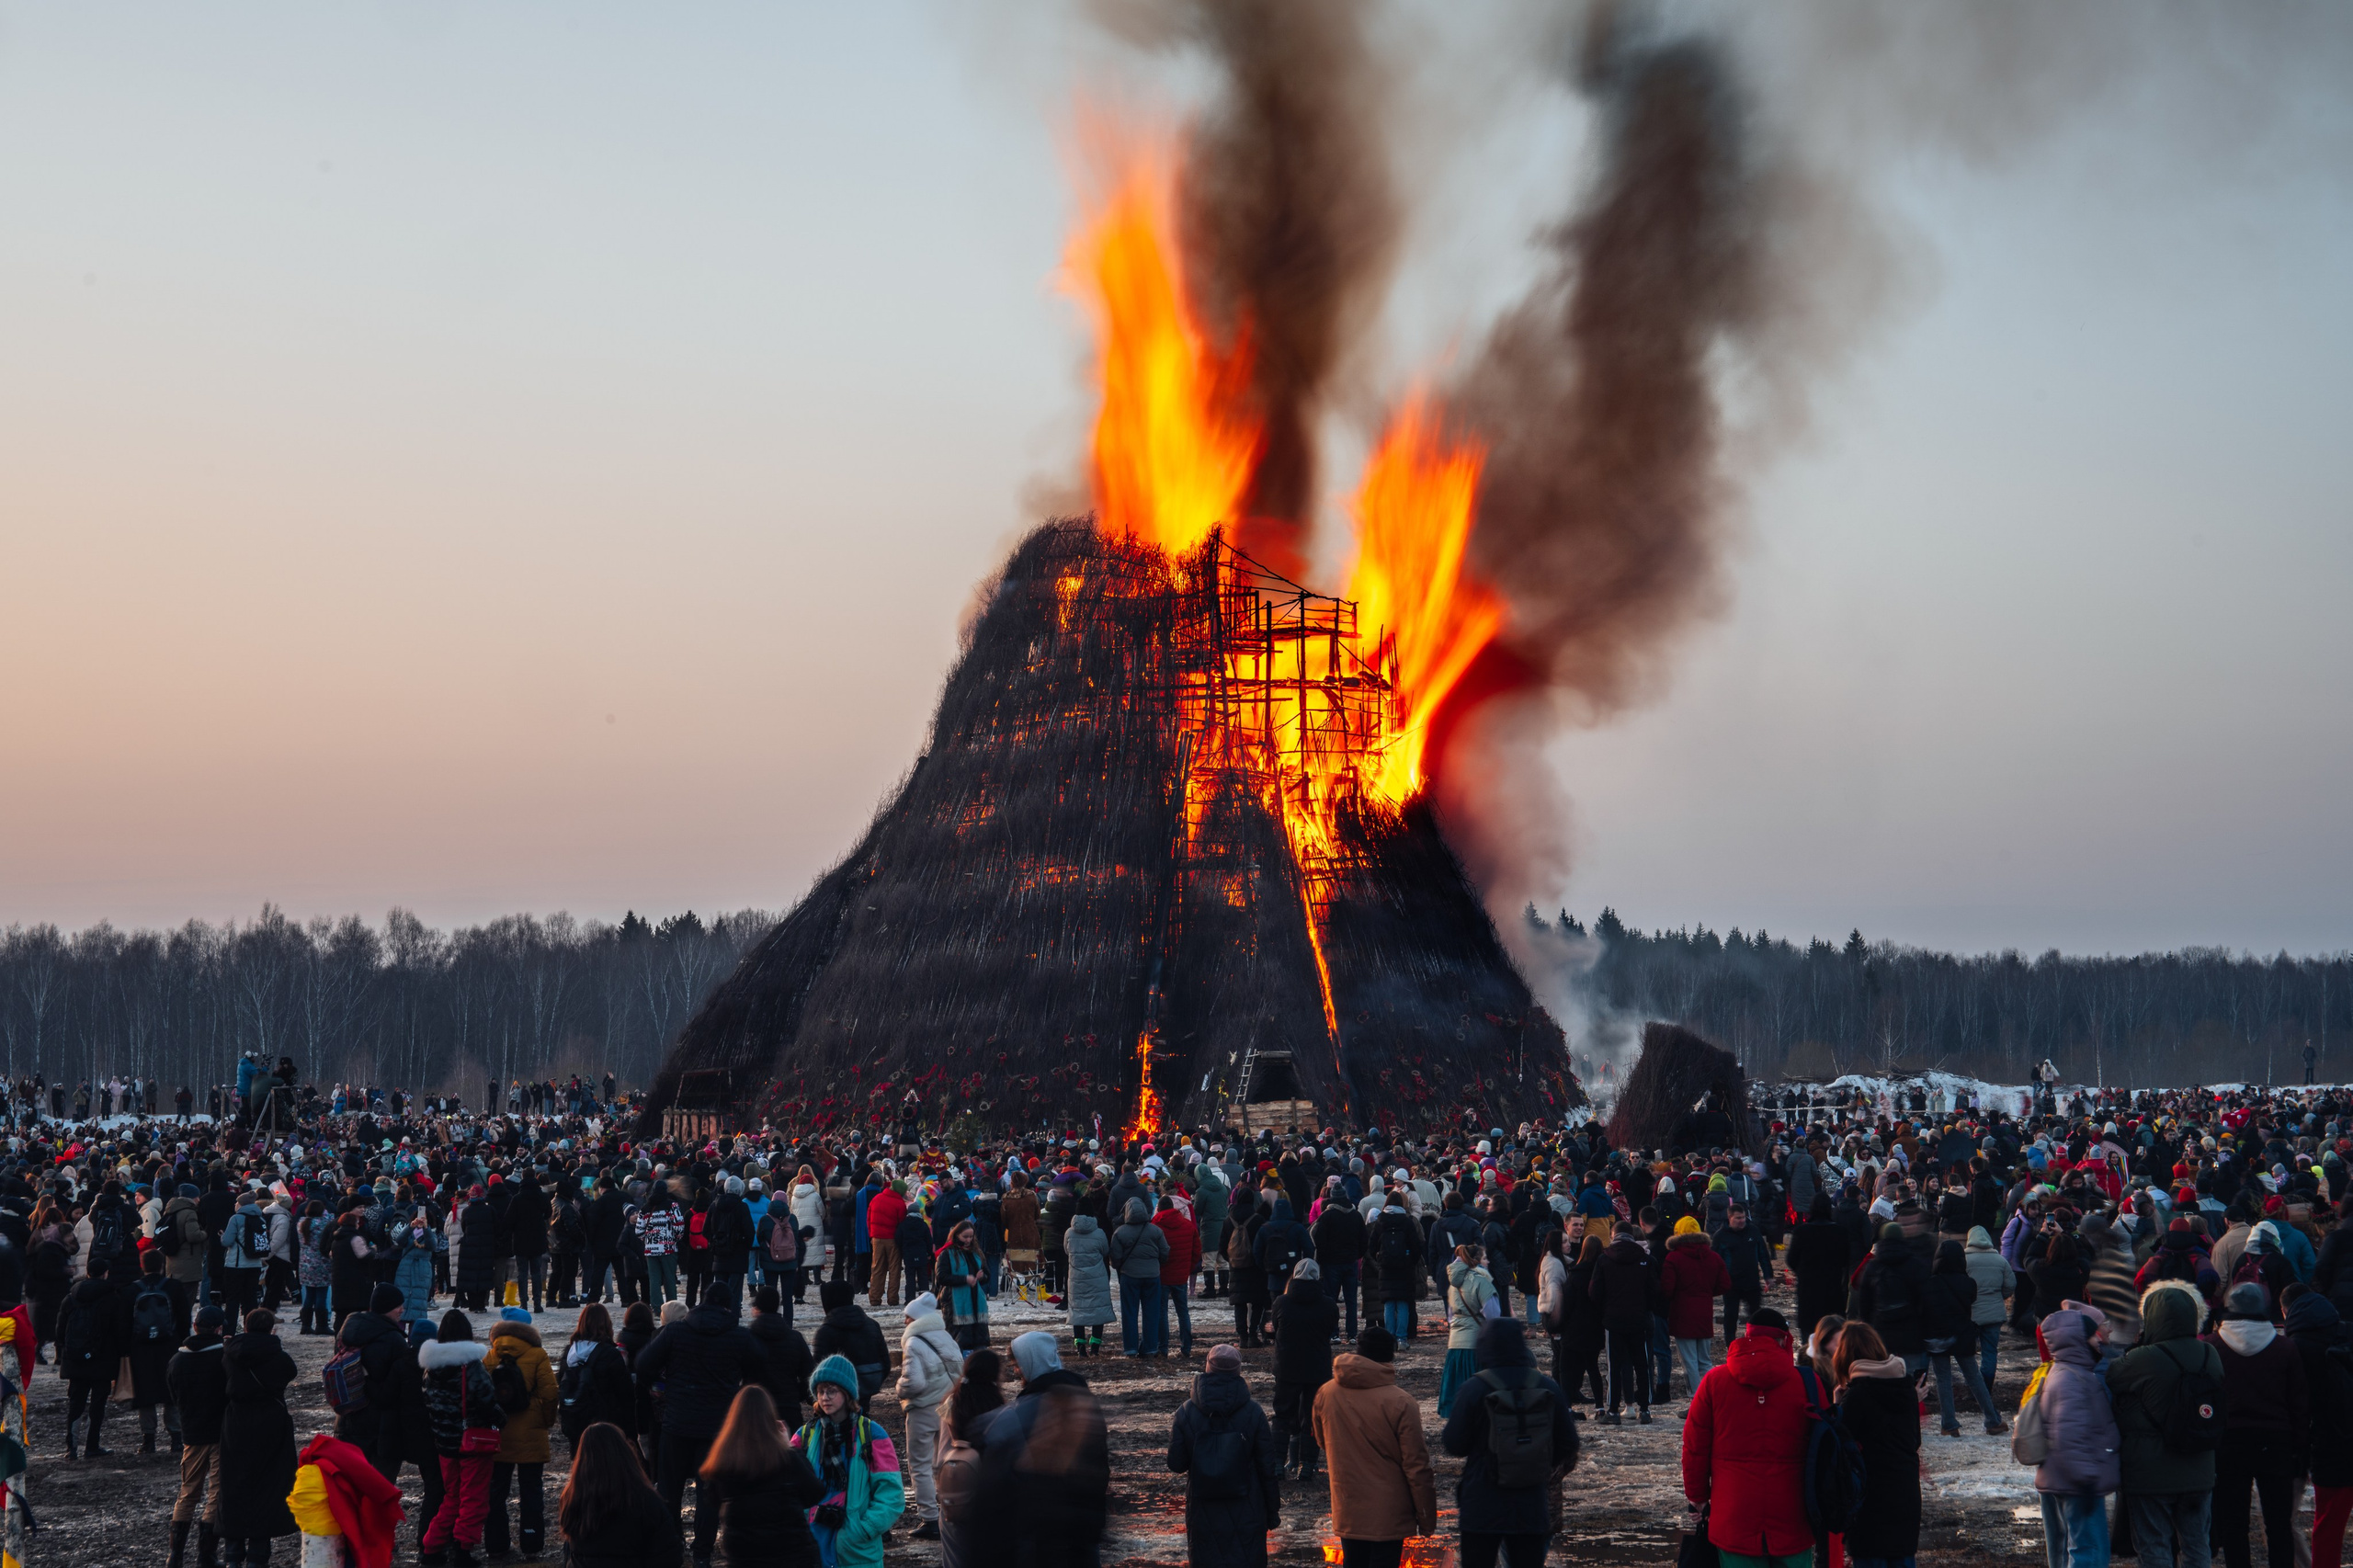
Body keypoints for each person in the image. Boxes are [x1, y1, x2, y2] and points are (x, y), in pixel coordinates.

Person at [634, 1283, 768, 1564]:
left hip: (677, 1422)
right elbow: (762, 1366)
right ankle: (702, 1555)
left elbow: (643, 1363)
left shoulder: (675, 1331)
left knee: (669, 1490)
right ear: (729, 1307)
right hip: (717, 1428)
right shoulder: (738, 1336)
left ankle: (672, 1546)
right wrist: (739, 1388)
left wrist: (664, 1387)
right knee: (709, 1494)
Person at [961, 1332, 1108, 1568]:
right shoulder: (1082, 1399)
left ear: (1033, 1361)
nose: (1015, 1371)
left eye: (1018, 1364)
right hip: (1084, 1529)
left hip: (1043, 1536)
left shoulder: (1022, 1414)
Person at [1682, 1306, 1813, 1568]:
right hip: (1794, 1516)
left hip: (1734, 1517)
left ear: (1747, 1336)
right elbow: (1825, 1447)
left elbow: (1694, 1447)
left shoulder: (1714, 1382)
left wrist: (1698, 1497)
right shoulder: (1808, 1383)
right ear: (1783, 1340)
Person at [1440, 1316, 1577, 1568]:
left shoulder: (1474, 1388)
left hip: (1481, 1504)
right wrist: (1535, 1461)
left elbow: (1454, 1444)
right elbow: (1568, 1443)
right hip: (1531, 1504)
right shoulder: (1547, 1387)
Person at [2109, 1279, 2223, 1568]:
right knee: (2197, 1545)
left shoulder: (2143, 1358)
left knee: (2155, 1547)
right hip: (2199, 1468)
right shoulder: (2210, 1354)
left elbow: (2112, 1376)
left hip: (2150, 1473)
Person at [1312, 1325, 1438, 1568]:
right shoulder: (1401, 1402)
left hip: (1347, 1504)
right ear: (1389, 1357)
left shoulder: (1326, 1393)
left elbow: (1323, 1442)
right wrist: (1426, 1518)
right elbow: (1417, 1466)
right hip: (1389, 1512)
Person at [2203, 1281, 2308, 1568]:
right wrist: (2301, 1448)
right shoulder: (2285, 1347)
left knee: (2234, 1523)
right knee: (2278, 1523)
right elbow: (2298, 1403)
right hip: (2276, 1441)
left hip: (2228, 1442)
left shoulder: (2212, 1346)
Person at [1166, 1341, 1281, 1568]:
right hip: (1248, 1509)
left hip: (1202, 1512)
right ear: (1238, 1371)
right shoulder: (1253, 1412)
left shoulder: (1186, 1412)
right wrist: (1272, 1511)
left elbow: (1176, 1463)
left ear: (1207, 1367)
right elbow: (1267, 1467)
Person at [791, 1356, 906, 1568]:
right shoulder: (804, 1436)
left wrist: (863, 1529)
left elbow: (892, 1494)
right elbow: (788, 1489)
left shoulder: (872, 1434)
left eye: (831, 1390)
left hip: (856, 1550)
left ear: (847, 1393)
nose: (825, 1397)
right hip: (813, 1545)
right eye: (820, 1391)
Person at [697, 1384, 825, 1568]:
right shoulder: (784, 1459)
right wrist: (790, 1449)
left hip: (744, 1558)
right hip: (792, 1557)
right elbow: (815, 1493)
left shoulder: (723, 1462)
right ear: (769, 1417)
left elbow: (711, 1498)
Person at [2033, 1308, 2121, 1568]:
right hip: (2078, 1485)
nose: (2100, 1340)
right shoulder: (2072, 1378)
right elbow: (2067, 1435)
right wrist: (2086, 1479)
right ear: (2078, 1340)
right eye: (2093, 1335)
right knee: (2089, 1552)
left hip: (2075, 1482)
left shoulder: (2071, 1372)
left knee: (2088, 1549)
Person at [1828, 1322, 1920, 1568]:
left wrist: (1837, 1407)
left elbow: (1838, 1448)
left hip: (1870, 1500)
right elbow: (1915, 1440)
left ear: (1845, 1357)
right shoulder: (1906, 1388)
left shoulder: (1857, 1396)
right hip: (1905, 1492)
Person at [421, 1309, 506, 1565]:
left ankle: (431, 1547)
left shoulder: (429, 1370)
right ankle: (463, 1550)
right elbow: (487, 1402)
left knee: (452, 1497)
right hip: (472, 1444)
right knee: (474, 1499)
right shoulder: (471, 1367)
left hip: (444, 1445)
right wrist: (501, 1420)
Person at [219, 1308, 299, 1568]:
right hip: (271, 1421)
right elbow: (290, 1373)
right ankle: (257, 1554)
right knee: (269, 1486)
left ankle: (232, 1553)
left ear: (246, 1325)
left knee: (234, 1483)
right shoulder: (279, 1357)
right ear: (271, 1329)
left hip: (237, 1421)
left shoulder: (230, 1353)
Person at [485, 1306, 560, 1561]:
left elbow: (483, 1396)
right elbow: (550, 1393)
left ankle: (496, 1544)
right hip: (531, 1433)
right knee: (531, 1492)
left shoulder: (491, 1355)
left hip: (499, 1434)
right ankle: (531, 1543)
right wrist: (544, 1421)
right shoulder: (538, 1354)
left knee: (496, 1492)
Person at [556, 1422, 684, 1568]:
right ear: (625, 1453)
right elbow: (669, 1556)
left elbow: (571, 1550)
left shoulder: (571, 1498)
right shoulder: (646, 1500)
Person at [896, 1291, 964, 1541]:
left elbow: (912, 1383)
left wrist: (898, 1388)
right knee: (943, 1460)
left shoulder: (914, 1343)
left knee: (920, 1464)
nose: (904, 1322)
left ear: (917, 1319)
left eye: (907, 1317)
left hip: (923, 1408)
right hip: (947, 1407)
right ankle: (947, 1511)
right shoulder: (946, 1338)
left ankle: (929, 1517)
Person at [165, 1304, 229, 1568]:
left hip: (191, 1433)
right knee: (216, 1492)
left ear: (195, 1326)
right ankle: (207, 1555)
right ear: (219, 1329)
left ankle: (175, 1556)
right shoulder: (224, 1358)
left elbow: (173, 1396)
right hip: (219, 1433)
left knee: (188, 1492)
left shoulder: (177, 1360)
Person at [1925, 1239, 2004, 1437]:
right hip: (1962, 1334)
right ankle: (1992, 1420)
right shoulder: (1969, 1283)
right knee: (1974, 1377)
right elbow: (1971, 1301)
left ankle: (1949, 1424)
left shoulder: (1930, 1283)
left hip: (1937, 1335)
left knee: (1943, 1378)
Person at [1271, 1256, 1339, 1481]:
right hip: (1317, 1369)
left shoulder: (1281, 1302)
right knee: (1313, 1417)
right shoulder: (1328, 1304)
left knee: (1282, 1415)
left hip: (1287, 1367)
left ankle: (1277, 1464)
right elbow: (1330, 1331)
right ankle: (1308, 1466)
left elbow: (1276, 1328)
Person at [937, 1350, 1006, 1568]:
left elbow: (945, 1446)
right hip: (988, 1486)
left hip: (957, 1482)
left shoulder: (952, 1400)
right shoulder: (998, 1404)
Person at [57, 1251, 127, 1458]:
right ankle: (92, 1445)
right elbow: (120, 1331)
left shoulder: (71, 1297)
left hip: (75, 1359)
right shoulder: (113, 1298)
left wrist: (66, 1352)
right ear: (106, 1273)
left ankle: (71, 1447)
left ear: (87, 1273)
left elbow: (60, 1331)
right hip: (102, 1360)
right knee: (98, 1404)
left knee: (75, 1403)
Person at [1661, 1216, 1730, 1406]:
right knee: (1705, 1361)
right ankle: (1710, 1398)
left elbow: (1667, 1289)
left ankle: (1697, 1401)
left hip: (1682, 1314)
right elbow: (1725, 1284)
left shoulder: (1674, 1257)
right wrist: (1706, 1292)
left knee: (1689, 1361)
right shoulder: (1713, 1256)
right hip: (1704, 1313)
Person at [1590, 1227, 1653, 1425]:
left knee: (1614, 1365)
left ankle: (1613, 1411)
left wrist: (1604, 1309)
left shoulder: (1604, 1259)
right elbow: (1654, 1289)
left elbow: (1594, 1291)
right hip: (1638, 1318)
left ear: (1613, 1235)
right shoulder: (1645, 1259)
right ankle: (1644, 1409)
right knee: (1642, 1364)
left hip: (1613, 1319)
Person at [559, 1303, 638, 1456]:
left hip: (576, 1418)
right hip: (606, 1423)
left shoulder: (569, 1352)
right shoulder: (610, 1354)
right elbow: (625, 1393)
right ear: (606, 1324)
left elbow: (562, 1383)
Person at [810, 1278, 891, 1410]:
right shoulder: (872, 1325)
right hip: (867, 1386)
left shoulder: (826, 1331)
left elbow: (818, 1369)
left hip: (836, 1394)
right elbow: (885, 1362)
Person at [1440, 1243, 1497, 1420]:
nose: (1488, 1262)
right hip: (1476, 1343)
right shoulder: (1481, 1281)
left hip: (1455, 1343)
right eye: (1485, 1258)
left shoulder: (1454, 1285)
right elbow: (1493, 1316)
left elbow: (1451, 1315)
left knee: (1457, 1394)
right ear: (1477, 1262)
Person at [1787, 1198, 1853, 1348]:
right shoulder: (1840, 1232)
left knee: (1809, 1337)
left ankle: (1811, 1366)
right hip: (1833, 1288)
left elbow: (1791, 1259)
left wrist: (1803, 1271)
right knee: (1834, 1335)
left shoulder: (1801, 1232)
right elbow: (1846, 1259)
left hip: (1808, 1289)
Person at [1961, 1225, 2015, 1406]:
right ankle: (1987, 1389)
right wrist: (1998, 1297)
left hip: (1970, 1315)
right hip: (1994, 1314)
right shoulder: (2000, 1260)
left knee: (1968, 1354)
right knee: (1990, 1353)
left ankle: (1973, 1390)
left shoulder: (1963, 1260)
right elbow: (2010, 1285)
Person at [1110, 1199, 1171, 1358]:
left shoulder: (1120, 1232)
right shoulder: (1155, 1230)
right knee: (1151, 1312)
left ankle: (1131, 1348)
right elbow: (1165, 1252)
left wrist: (1121, 1266)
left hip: (1129, 1276)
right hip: (1152, 1276)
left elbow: (1115, 1258)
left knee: (1129, 1312)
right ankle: (1150, 1347)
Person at [747, 1285, 813, 1428]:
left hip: (753, 1410)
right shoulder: (795, 1338)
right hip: (788, 1408)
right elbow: (809, 1374)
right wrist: (796, 1394)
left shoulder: (747, 1338)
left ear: (757, 1309)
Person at [934, 1219, 992, 1355]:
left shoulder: (976, 1252)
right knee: (959, 1340)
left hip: (977, 1303)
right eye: (965, 1237)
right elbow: (941, 1277)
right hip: (954, 1304)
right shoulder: (947, 1253)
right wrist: (964, 1279)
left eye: (971, 1237)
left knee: (979, 1340)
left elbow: (987, 1275)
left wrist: (981, 1276)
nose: (968, 1240)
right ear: (956, 1235)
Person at [1063, 1210, 1115, 1358]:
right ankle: (1095, 1347)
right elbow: (1105, 1251)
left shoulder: (1069, 1233)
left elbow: (1067, 1251)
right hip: (1097, 1276)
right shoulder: (1099, 1233)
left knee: (1078, 1311)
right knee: (1097, 1310)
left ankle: (1080, 1347)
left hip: (1076, 1277)